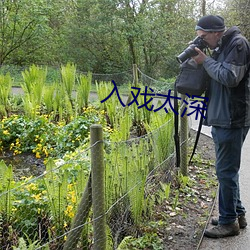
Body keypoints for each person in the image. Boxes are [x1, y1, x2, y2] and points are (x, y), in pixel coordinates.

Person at [192, 15, 250, 238]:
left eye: (204, 37)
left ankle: (228, 223)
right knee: (227, 171)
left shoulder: (238, 44)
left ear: (216, 32)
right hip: (222, 116)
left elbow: (229, 77)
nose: (203, 41)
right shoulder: (221, 46)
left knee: (225, 171)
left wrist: (205, 61)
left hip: (232, 118)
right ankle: (237, 214)